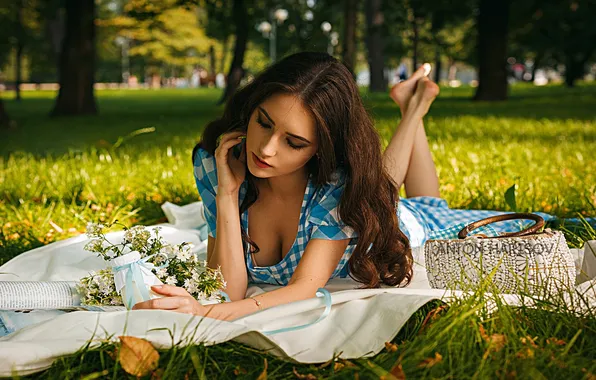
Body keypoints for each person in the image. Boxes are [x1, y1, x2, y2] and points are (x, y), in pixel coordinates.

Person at [130, 52, 569, 319]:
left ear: (321, 150)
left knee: (401, 198)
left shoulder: (338, 190)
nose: (265, 148)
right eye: (263, 122)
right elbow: (230, 287)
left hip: (395, 225)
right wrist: (227, 196)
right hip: (361, 196)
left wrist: (207, 312)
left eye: (294, 142)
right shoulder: (220, 162)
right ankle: (413, 107)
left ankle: (414, 110)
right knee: (387, 187)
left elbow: (303, 289)